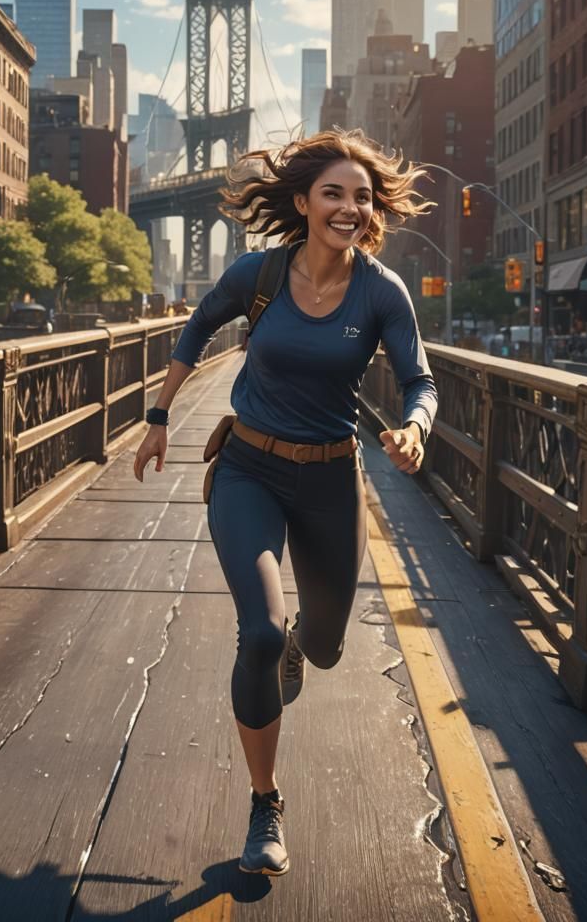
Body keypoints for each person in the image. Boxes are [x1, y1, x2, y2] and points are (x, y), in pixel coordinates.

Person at [133, 129, 438, 877]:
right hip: (249, 470)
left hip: (331, 480)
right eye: (333, 193)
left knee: (324, 647)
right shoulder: (259, 273)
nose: (349, 207)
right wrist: (159, 415)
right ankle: (265, 802)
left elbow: (420, 381)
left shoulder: (381, 291)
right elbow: (199, 326)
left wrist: (415, 427)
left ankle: (306, 642)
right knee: (261, 635)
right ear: (302, 202)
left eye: (361, 197)